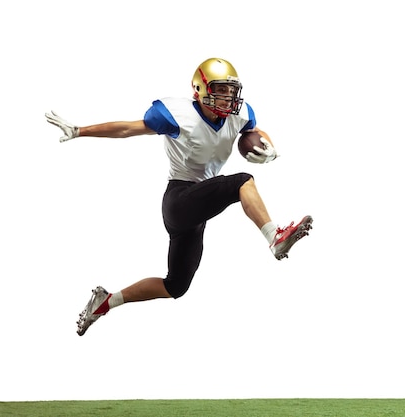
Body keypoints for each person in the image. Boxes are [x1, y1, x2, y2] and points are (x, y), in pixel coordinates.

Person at [45, 58, 313, 336]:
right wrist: (80, 131)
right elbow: (127, 128)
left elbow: (253, 132)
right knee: (241, 182)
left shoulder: (240, 113)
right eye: (221, 90)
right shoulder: (177, 114)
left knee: (176, 286)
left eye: (231, 91)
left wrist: (269, 146)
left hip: (199, 208)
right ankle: (274, 237)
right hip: (180, 199)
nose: (228, 98)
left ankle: (106, 302)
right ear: (200, 89)